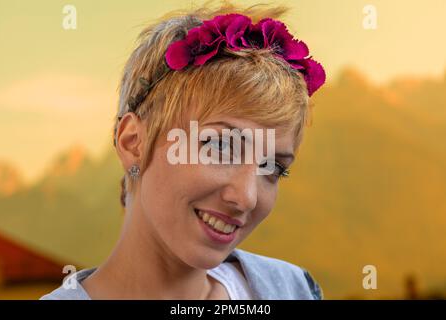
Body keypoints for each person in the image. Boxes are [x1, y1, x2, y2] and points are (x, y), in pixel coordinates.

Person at [41, 1, 326, 300]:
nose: (246, 197)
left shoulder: (292, 289)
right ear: (132, 142)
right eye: (220, 147)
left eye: (272, 167)